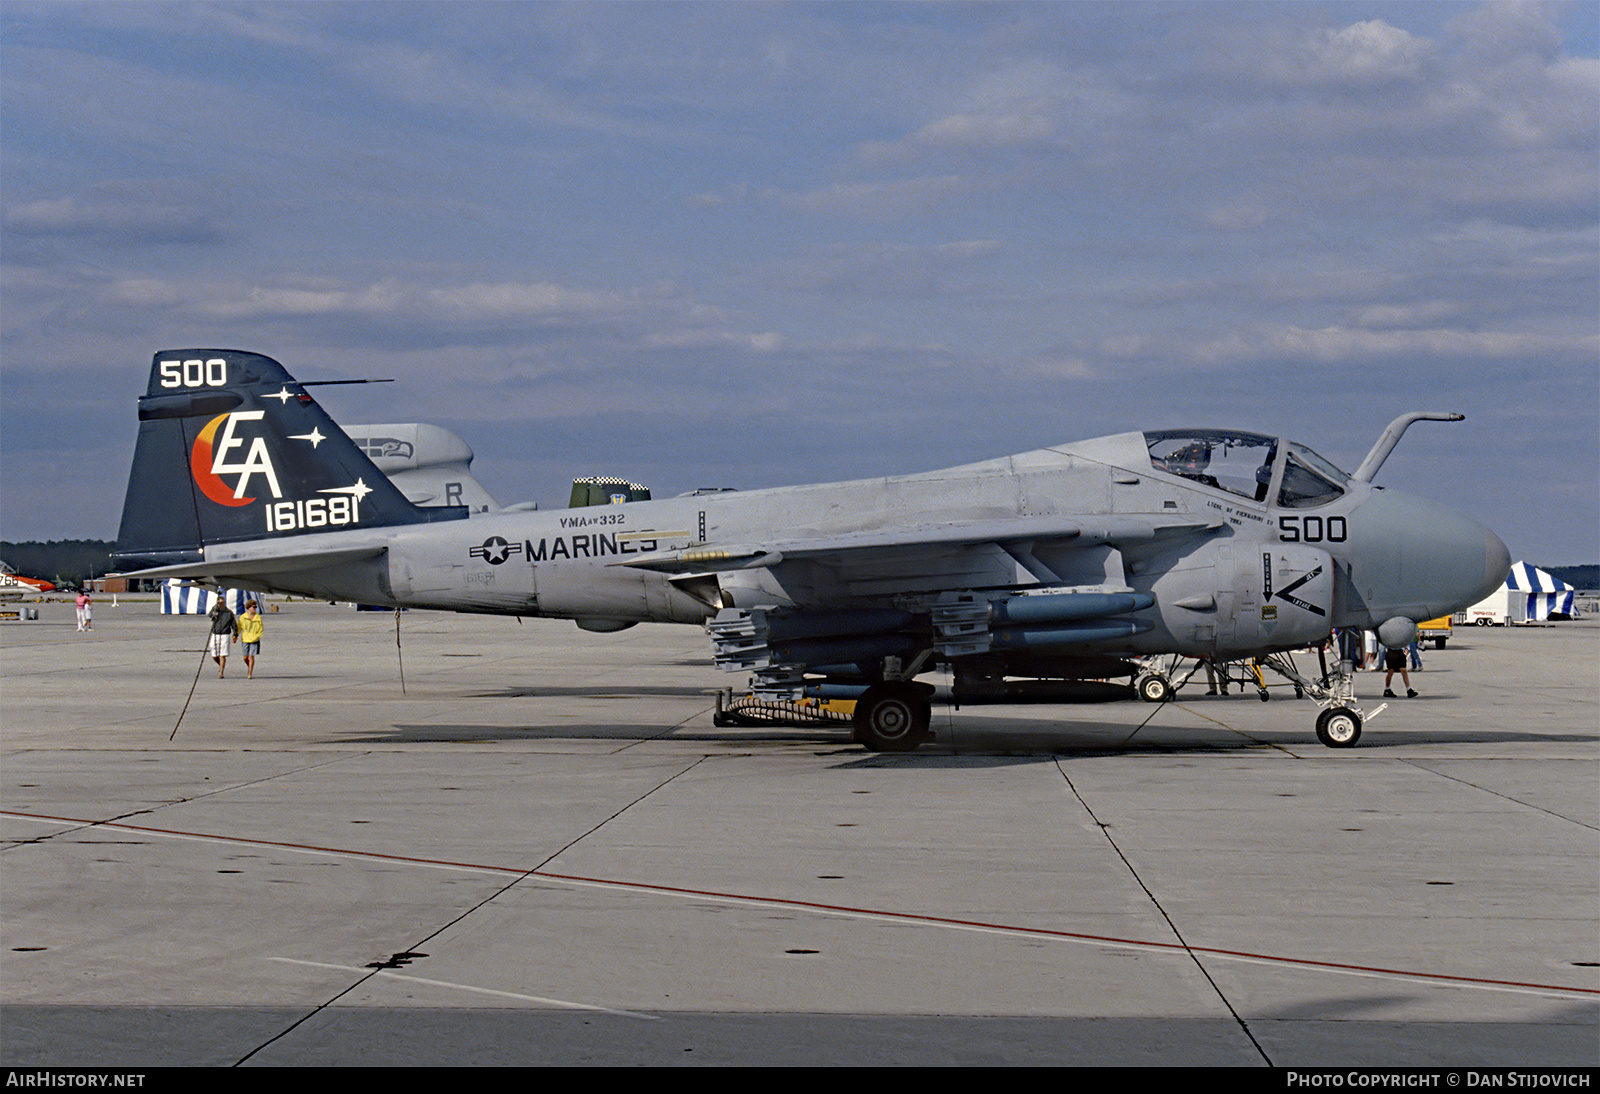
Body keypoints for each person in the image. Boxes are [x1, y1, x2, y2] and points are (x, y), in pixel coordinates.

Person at [207, 598, 238, 678]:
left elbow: (234, 624)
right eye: (219, 603)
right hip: (215, 633)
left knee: (222, 654)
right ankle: (220, 665)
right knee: (214, 653)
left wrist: (235, 634)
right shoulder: (215, 611)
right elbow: (210, 615)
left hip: (225, 634)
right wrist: (214, 608)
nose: (220, 604)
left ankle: (221, 672)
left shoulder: (229, 613)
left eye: (222, 603)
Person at [238, 600, 263, 679]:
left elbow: (261, 629)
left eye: (256, 607)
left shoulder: (258, 617)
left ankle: (250, 673)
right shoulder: (243, 617)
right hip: (245, 639)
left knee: (251, 656)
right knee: (245, 657)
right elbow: (239, 627)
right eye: (253, 607)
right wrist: (235, 636)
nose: (255, 608)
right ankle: (250, 667)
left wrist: (257, 636)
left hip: (254, 640)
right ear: (249, 607)